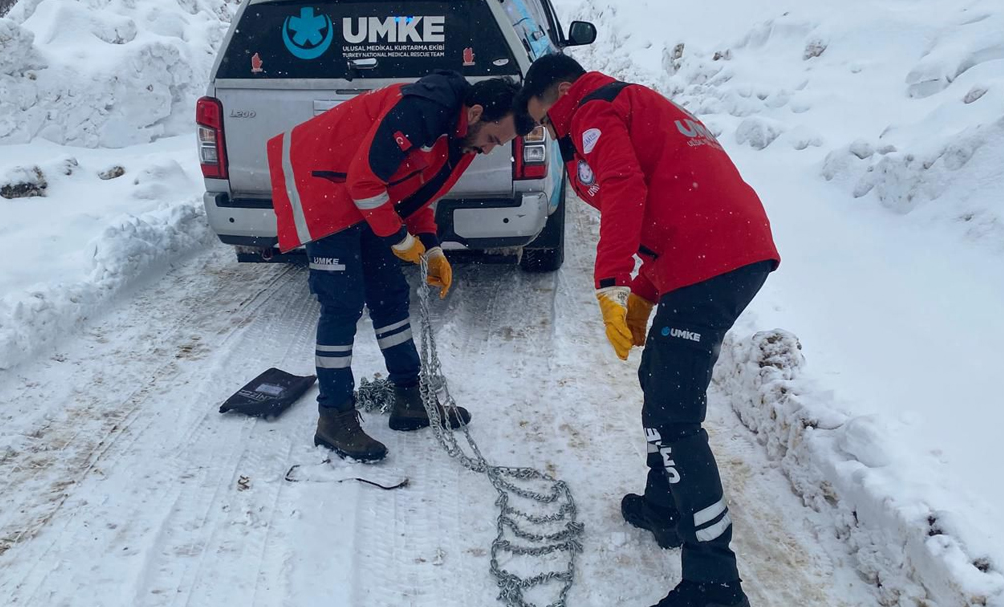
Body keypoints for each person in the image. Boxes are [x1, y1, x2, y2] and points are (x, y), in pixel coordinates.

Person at [515, 54, 780, 607]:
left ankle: (714, 582)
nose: (541, 123)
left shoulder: (590, 110)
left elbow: (623, 185)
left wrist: (611, 279)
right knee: (658, 375)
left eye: (539, 109)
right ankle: (663, 504)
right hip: (721, 249)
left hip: (715, 259)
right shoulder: (631, 104)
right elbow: (677, 202)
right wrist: (644, 290)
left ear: (560, 88)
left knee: (674, 417)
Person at [268, 70, 523, 463]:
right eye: (492, 139)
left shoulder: (460, 139)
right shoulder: (423, 111)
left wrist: (431, 246)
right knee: (342, 304)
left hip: (363, 195)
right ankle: (333, 416)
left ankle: (410, 398)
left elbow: (419, 193)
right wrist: (400, 240)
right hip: (323, 186)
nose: (489, 150)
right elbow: (365, 182)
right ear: (474, 113)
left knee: (389, 295)